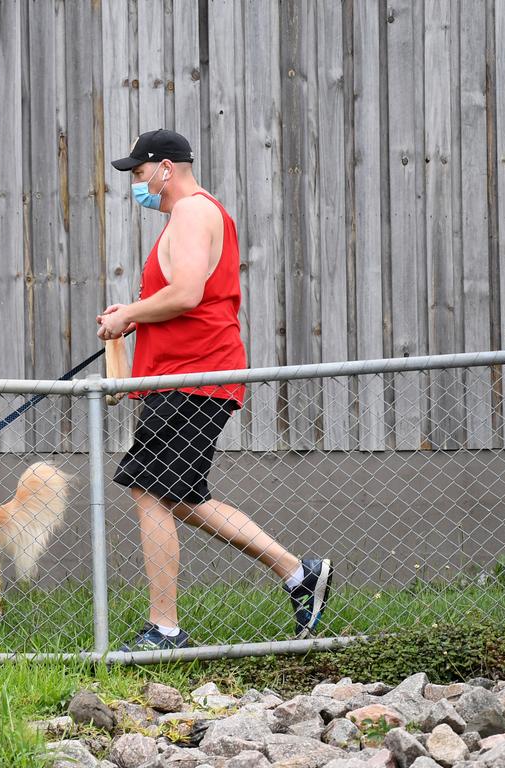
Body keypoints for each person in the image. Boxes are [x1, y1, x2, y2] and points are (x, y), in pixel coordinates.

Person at [97, 128, 332, 651]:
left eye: (138, 173)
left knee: (149, 489)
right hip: (185, 376)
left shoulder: (193, 212)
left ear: (165, 167)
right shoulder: (188, 218)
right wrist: (134, 319)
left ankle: (165, 629)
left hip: (196, 375)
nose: (136, 185)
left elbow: (187, 292)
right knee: (179, 496)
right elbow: (184, 299)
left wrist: (130, 312)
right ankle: (300, 573)